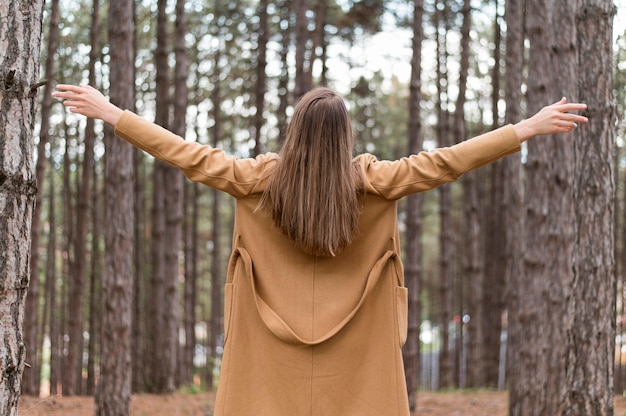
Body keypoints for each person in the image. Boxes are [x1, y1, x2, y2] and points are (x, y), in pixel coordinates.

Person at [53, 84, 587, 415]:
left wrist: (112, 113)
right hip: (356, 360)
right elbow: (448, 160)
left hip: (268, 356)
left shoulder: (255, 180)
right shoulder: (377, 182)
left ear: (294, 132)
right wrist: (525, 128)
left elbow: (185, 153)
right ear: (345, 136)